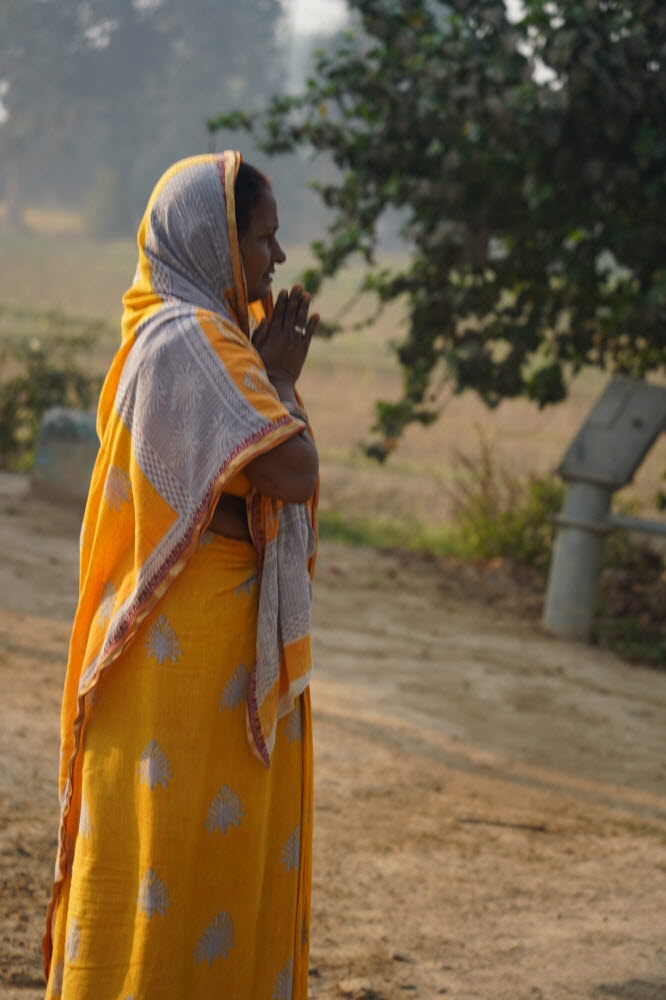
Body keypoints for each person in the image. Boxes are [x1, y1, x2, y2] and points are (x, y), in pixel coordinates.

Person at [42, 151, 320, 999]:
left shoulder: (178, 337)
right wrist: (276, 381)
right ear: (214, 242)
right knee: (175, 861)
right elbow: (294, 471)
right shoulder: (192, 340)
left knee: (185, 861)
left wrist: (267, 380)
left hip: (191, 653)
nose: (276, 261)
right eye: (263, 240)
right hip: (190, 659)